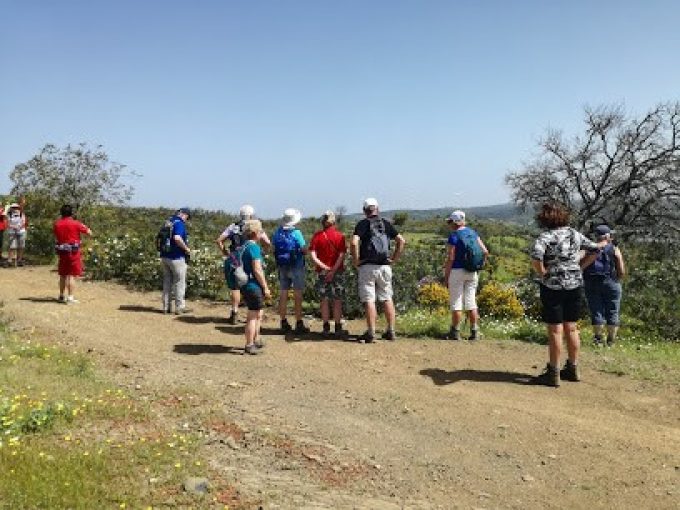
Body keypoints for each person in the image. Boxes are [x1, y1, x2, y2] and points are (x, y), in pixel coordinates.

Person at [530, 203, 605, 387]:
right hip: (575, 284)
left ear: (545, 219)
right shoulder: (574, 233)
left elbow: (536, 258)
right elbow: (596, 249)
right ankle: (573, 368)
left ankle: (553, 372)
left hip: (553, 286)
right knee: (571, 327)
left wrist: (543, 273)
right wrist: (580, 267)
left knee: (556, 329)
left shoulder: (545, 237)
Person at [351, 198, 406, 343]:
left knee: (369, 299)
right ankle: (391, 331)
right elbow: (401, 241)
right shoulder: (386, 223)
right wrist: (394, 259)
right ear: (377, 208)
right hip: (384, 266)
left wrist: (356, 261)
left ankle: (371, 332)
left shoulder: (362, 224)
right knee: (387, 298)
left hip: (367, 266)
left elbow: (354, 242)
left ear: (364, 211)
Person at [217, 204, 271, 324]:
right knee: (252, 285)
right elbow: (267, 242)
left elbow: (219, 240)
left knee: (235, 287)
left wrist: (225, 253)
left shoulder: (233, 226)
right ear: (251, 214)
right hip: (249, 259)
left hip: (234, 259)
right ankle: (253, 314)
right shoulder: (255, 227)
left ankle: (234, 312)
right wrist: (264, 253)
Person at [443, 210, 489, 340]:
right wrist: (479, 266)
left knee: (457, 303)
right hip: (472, 272)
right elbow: (485, 252)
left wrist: (446, 277)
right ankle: (475, 332)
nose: (449, 224)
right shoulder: (473, 233)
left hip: (457, 271)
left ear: (455, 222)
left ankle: (455, 332)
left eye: (450, 222)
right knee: (471, 302)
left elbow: (451, 258)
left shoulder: (454, 236)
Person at [581, 224, 626, 347]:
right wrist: (619, 278)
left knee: (596, 310)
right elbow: (621, 269)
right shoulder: (614, 248)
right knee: (613, 310)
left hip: (592, 282)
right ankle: (611, 341)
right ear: (607, 236)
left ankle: (598, 339)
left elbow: (582, 263)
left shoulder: (590, 248)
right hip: (611, 281)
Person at [309, 211, 348, 338]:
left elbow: (313, 255)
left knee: (324, 299)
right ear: (334, 221)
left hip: (322, 272)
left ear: (322, 221)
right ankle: (337, 327)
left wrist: (324, 268)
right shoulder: (340, 236)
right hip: (338, 271)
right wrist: (333, 270)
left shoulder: (317, 236)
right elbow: (342, 255)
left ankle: (325, 327)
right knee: (337, 299)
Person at [272, 208, 310, 334]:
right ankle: (299, 322)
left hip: (282, 265)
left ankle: (283, 321)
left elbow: (273, 248)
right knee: (297, 294)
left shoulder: (277, 232)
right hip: (296, 265)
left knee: (283, 293)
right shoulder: (297, 233)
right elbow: (304, 249)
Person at [239, 219, 272, 355]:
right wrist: (265, 287)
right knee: (253, 316)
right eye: (260, 231)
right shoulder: (254, 248)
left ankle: (255, 340)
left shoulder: (244, 246)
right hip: (253, 285)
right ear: (254, 233)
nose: (261, 234)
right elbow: (257, 269)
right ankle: (249, 344)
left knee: (258, 313)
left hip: (246, 284)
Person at [53, 204, 92, 304]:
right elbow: (89, 232)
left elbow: (56, 236)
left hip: (62, 251)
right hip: (73, 252)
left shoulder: (57, 224)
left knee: (62, 274)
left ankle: (61, 296)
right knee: (71, 275)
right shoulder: (76, 223)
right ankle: (70, 297)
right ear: (71, 213)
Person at [160, 207, 192, 315]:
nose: (186, 220)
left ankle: (166, 307)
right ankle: (179, 307)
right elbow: (177, 238)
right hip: (177, 257)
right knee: (179, 282)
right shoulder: (179, 223)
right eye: (187, 217)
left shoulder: (168, 221)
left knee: (167, 281)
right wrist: (186, 249)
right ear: (185, 215)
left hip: (164, 256)